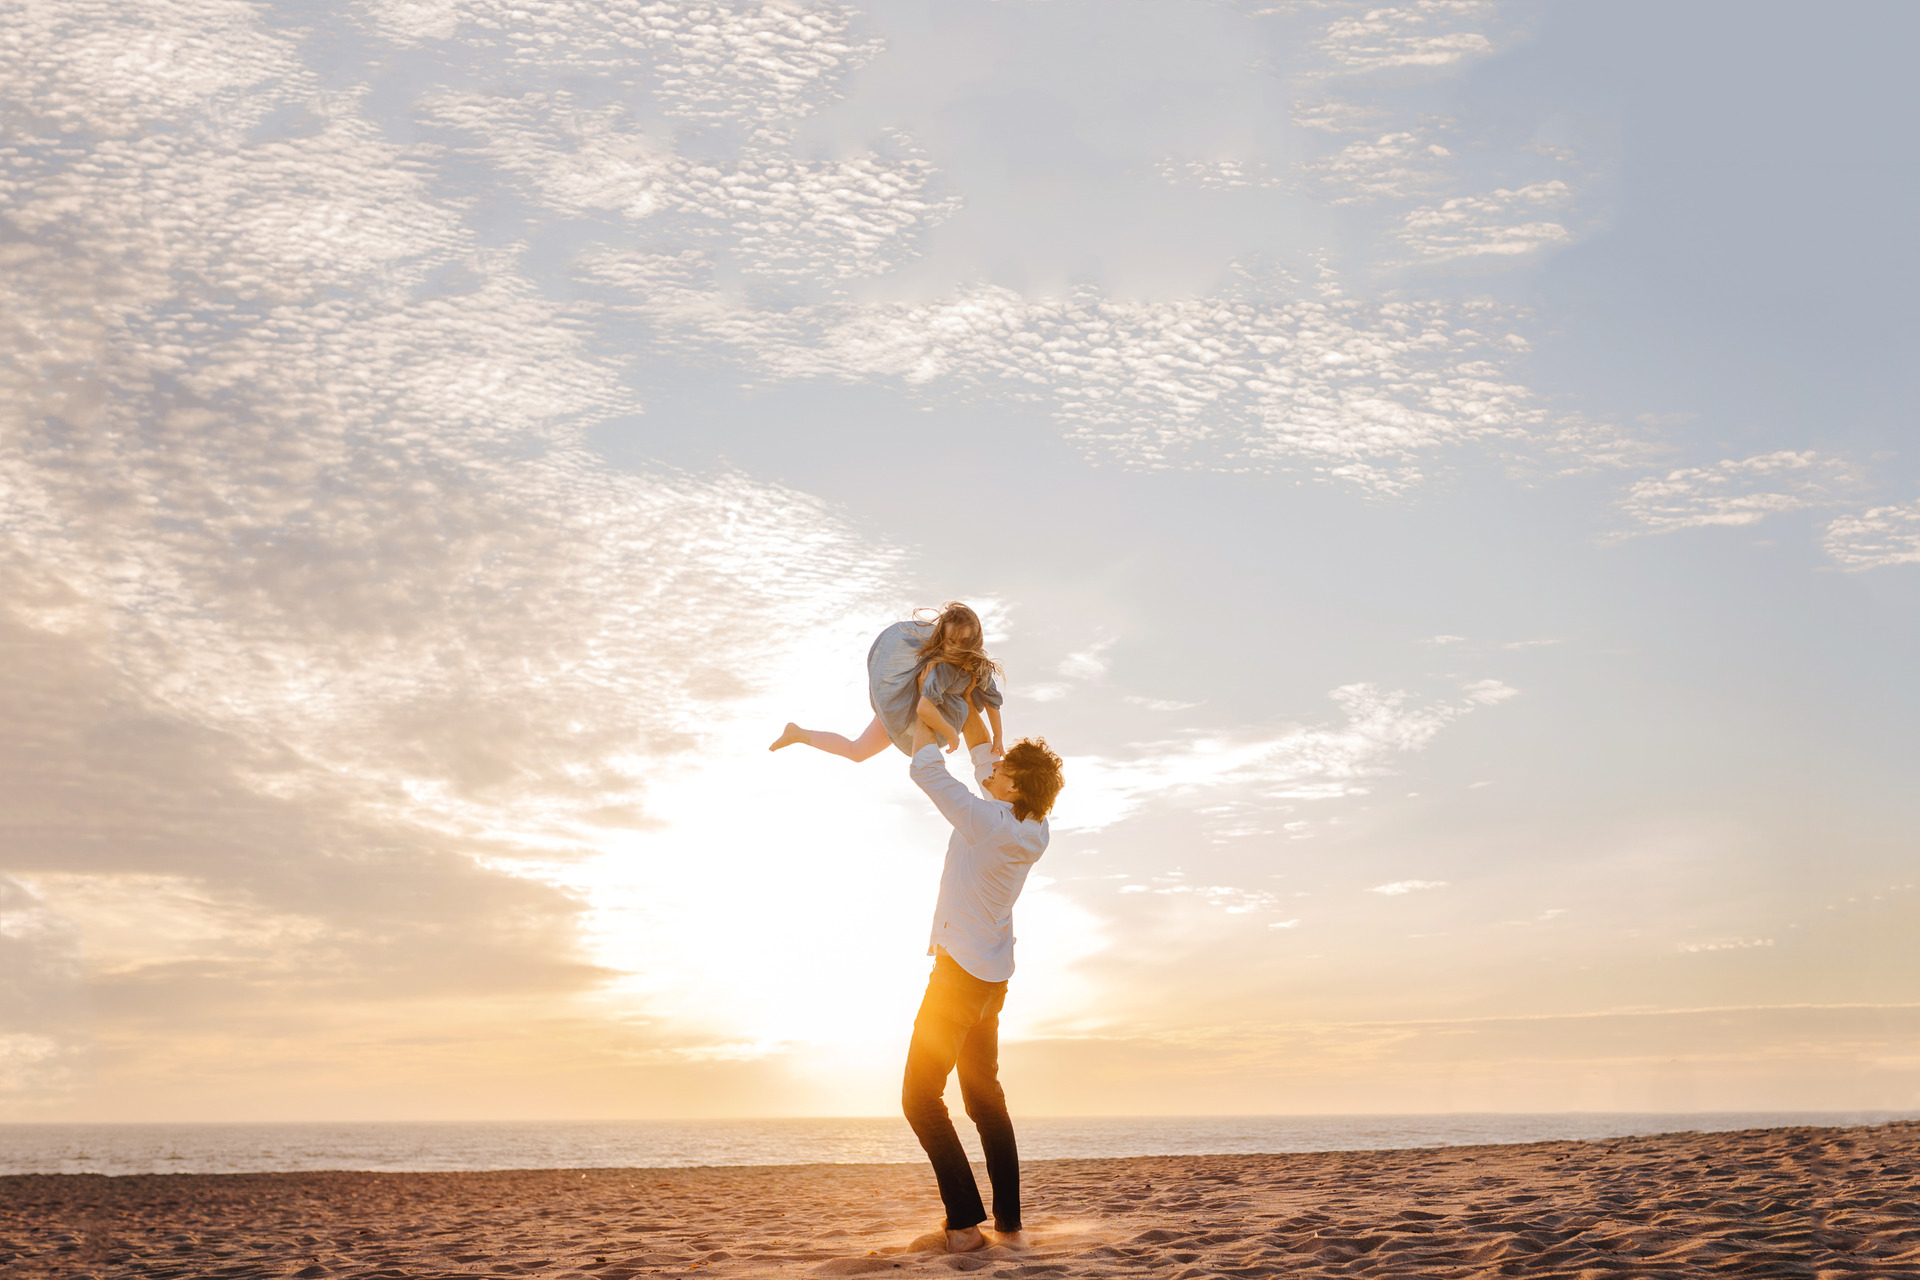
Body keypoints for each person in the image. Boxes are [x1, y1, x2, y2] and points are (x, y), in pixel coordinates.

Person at [900, 709, 1065, 1254]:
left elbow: (926, 770)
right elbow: (982, 756)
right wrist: (966, 701)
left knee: (920, 1099)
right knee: (985, 1101)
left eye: (1002, 769)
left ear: (1012, 785)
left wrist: (922, 708)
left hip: (957, 982)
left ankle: (965, 1227)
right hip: (992, 983)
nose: (991, 768)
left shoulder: (986, 821)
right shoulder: (1032, 825)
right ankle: (1010, 1229)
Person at [768, 602, 1004, 762]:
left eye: (964, 641)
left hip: (931, 708)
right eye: (950, 641)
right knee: (857, 752)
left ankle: (798, 733)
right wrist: (951, 732)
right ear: (942, 639)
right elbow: (924, 708)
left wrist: (998, 737)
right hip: (903, 707)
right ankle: (799, 734)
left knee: (857, 752)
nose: (955, 648)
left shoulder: (979, 665)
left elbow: (992, 700)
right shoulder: (939, 669)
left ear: (975, 641)